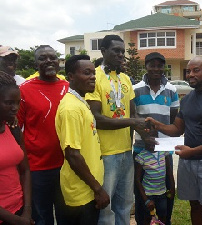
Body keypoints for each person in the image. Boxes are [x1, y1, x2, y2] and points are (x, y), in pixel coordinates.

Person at [147, 56, 202, 225]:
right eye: (188, 71)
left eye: (196, 70)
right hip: (188, 163)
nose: (190, 74)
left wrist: (193, 151)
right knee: (195, 206)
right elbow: (177, 129)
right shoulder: (187, 100)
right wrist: (157, 125)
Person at [85, 35, 146, 225]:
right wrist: (132, 121)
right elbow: (97, 119)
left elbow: (133, 114)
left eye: (123, 51)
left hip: (126, 152)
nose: (121, 55)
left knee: (125, 204)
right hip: (104, 153)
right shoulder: (93, 77)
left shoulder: (125, 79)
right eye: (116, 51)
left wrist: (146, 134)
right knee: (106, 207)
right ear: (103, 51)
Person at [17, 45, 69, 225]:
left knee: (66, 215)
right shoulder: (24, 90)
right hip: (37, 168)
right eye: (42, 58)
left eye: (52, 57)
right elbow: (17, 128)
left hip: (67, 165)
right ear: (35, 63)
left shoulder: (68, 88)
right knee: (41, 217)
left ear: (58, 61)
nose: (48, 61)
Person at [55, 55, 110, 225]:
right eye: (87, 73)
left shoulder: (80, 102)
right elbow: (72, 154)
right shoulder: (71, 108)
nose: (93, 77)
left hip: (87, 189)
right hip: (81, 193)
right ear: (71, 76)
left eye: (93, 73)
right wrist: (98, 189)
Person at [133, 52, 179, 225]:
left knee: (166, 194)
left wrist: (165, 138)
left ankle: (164, 221)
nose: (156, 69)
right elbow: (133, 117)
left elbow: (174, 119)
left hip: (164, 150)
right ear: (146, 66)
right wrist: (145, 137)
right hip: (141, 149)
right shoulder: (136, 89)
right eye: (152, 65)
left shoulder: (172, 90)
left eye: (160, 65)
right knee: (141, 194)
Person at [0, 71, 33, 225]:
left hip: (19, 209)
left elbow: (25, 169)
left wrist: (27, 210)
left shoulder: (13, 128)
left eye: (18, 102)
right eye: (9, 103)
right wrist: (16, 221)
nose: (15, 108)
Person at [135, 124, 174, 225]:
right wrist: (146, 200)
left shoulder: (163, 153)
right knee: (147, 218)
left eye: (154, 141)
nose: (151, 145)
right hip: (148, 195)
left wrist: (172, 188)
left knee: (163, 217)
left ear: (158, 139)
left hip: (162, 194)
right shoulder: (141, 157)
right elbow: (137, 180)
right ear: (144, 140)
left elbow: (169, 173)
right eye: (148, 141)